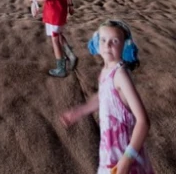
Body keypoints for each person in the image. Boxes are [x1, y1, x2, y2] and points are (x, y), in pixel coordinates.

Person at [61, 20, 154, 174]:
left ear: (125, 46)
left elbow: (143, 122)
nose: (107, 45)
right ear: (96, 42)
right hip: (110, 149)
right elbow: (103, 96)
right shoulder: (106, 71)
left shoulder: (120, 75)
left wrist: (126, 160)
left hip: (124, 152)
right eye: (103, 40)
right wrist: (80, 111)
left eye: (115, 41)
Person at [31, 0, 76, 77]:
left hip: (53, 14)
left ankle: (61, 69)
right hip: (62, 12)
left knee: (55, 40)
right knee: (59, 34)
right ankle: (71, 56)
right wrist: (70, 6)